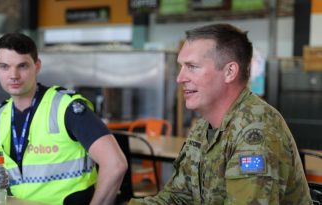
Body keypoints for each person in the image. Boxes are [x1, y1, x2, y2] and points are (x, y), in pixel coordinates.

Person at [0, 33, 127, 205]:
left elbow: (115, 164)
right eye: (5, 66)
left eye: (22, 66)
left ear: (37, 66)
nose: (14, 75)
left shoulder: (65, 107)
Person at [129, 23, 313, 204]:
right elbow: (178, 197)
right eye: (181, 67)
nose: (180, 78)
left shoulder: (256, 131)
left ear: (229, 72)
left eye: (192, 66)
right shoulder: (203, 126)